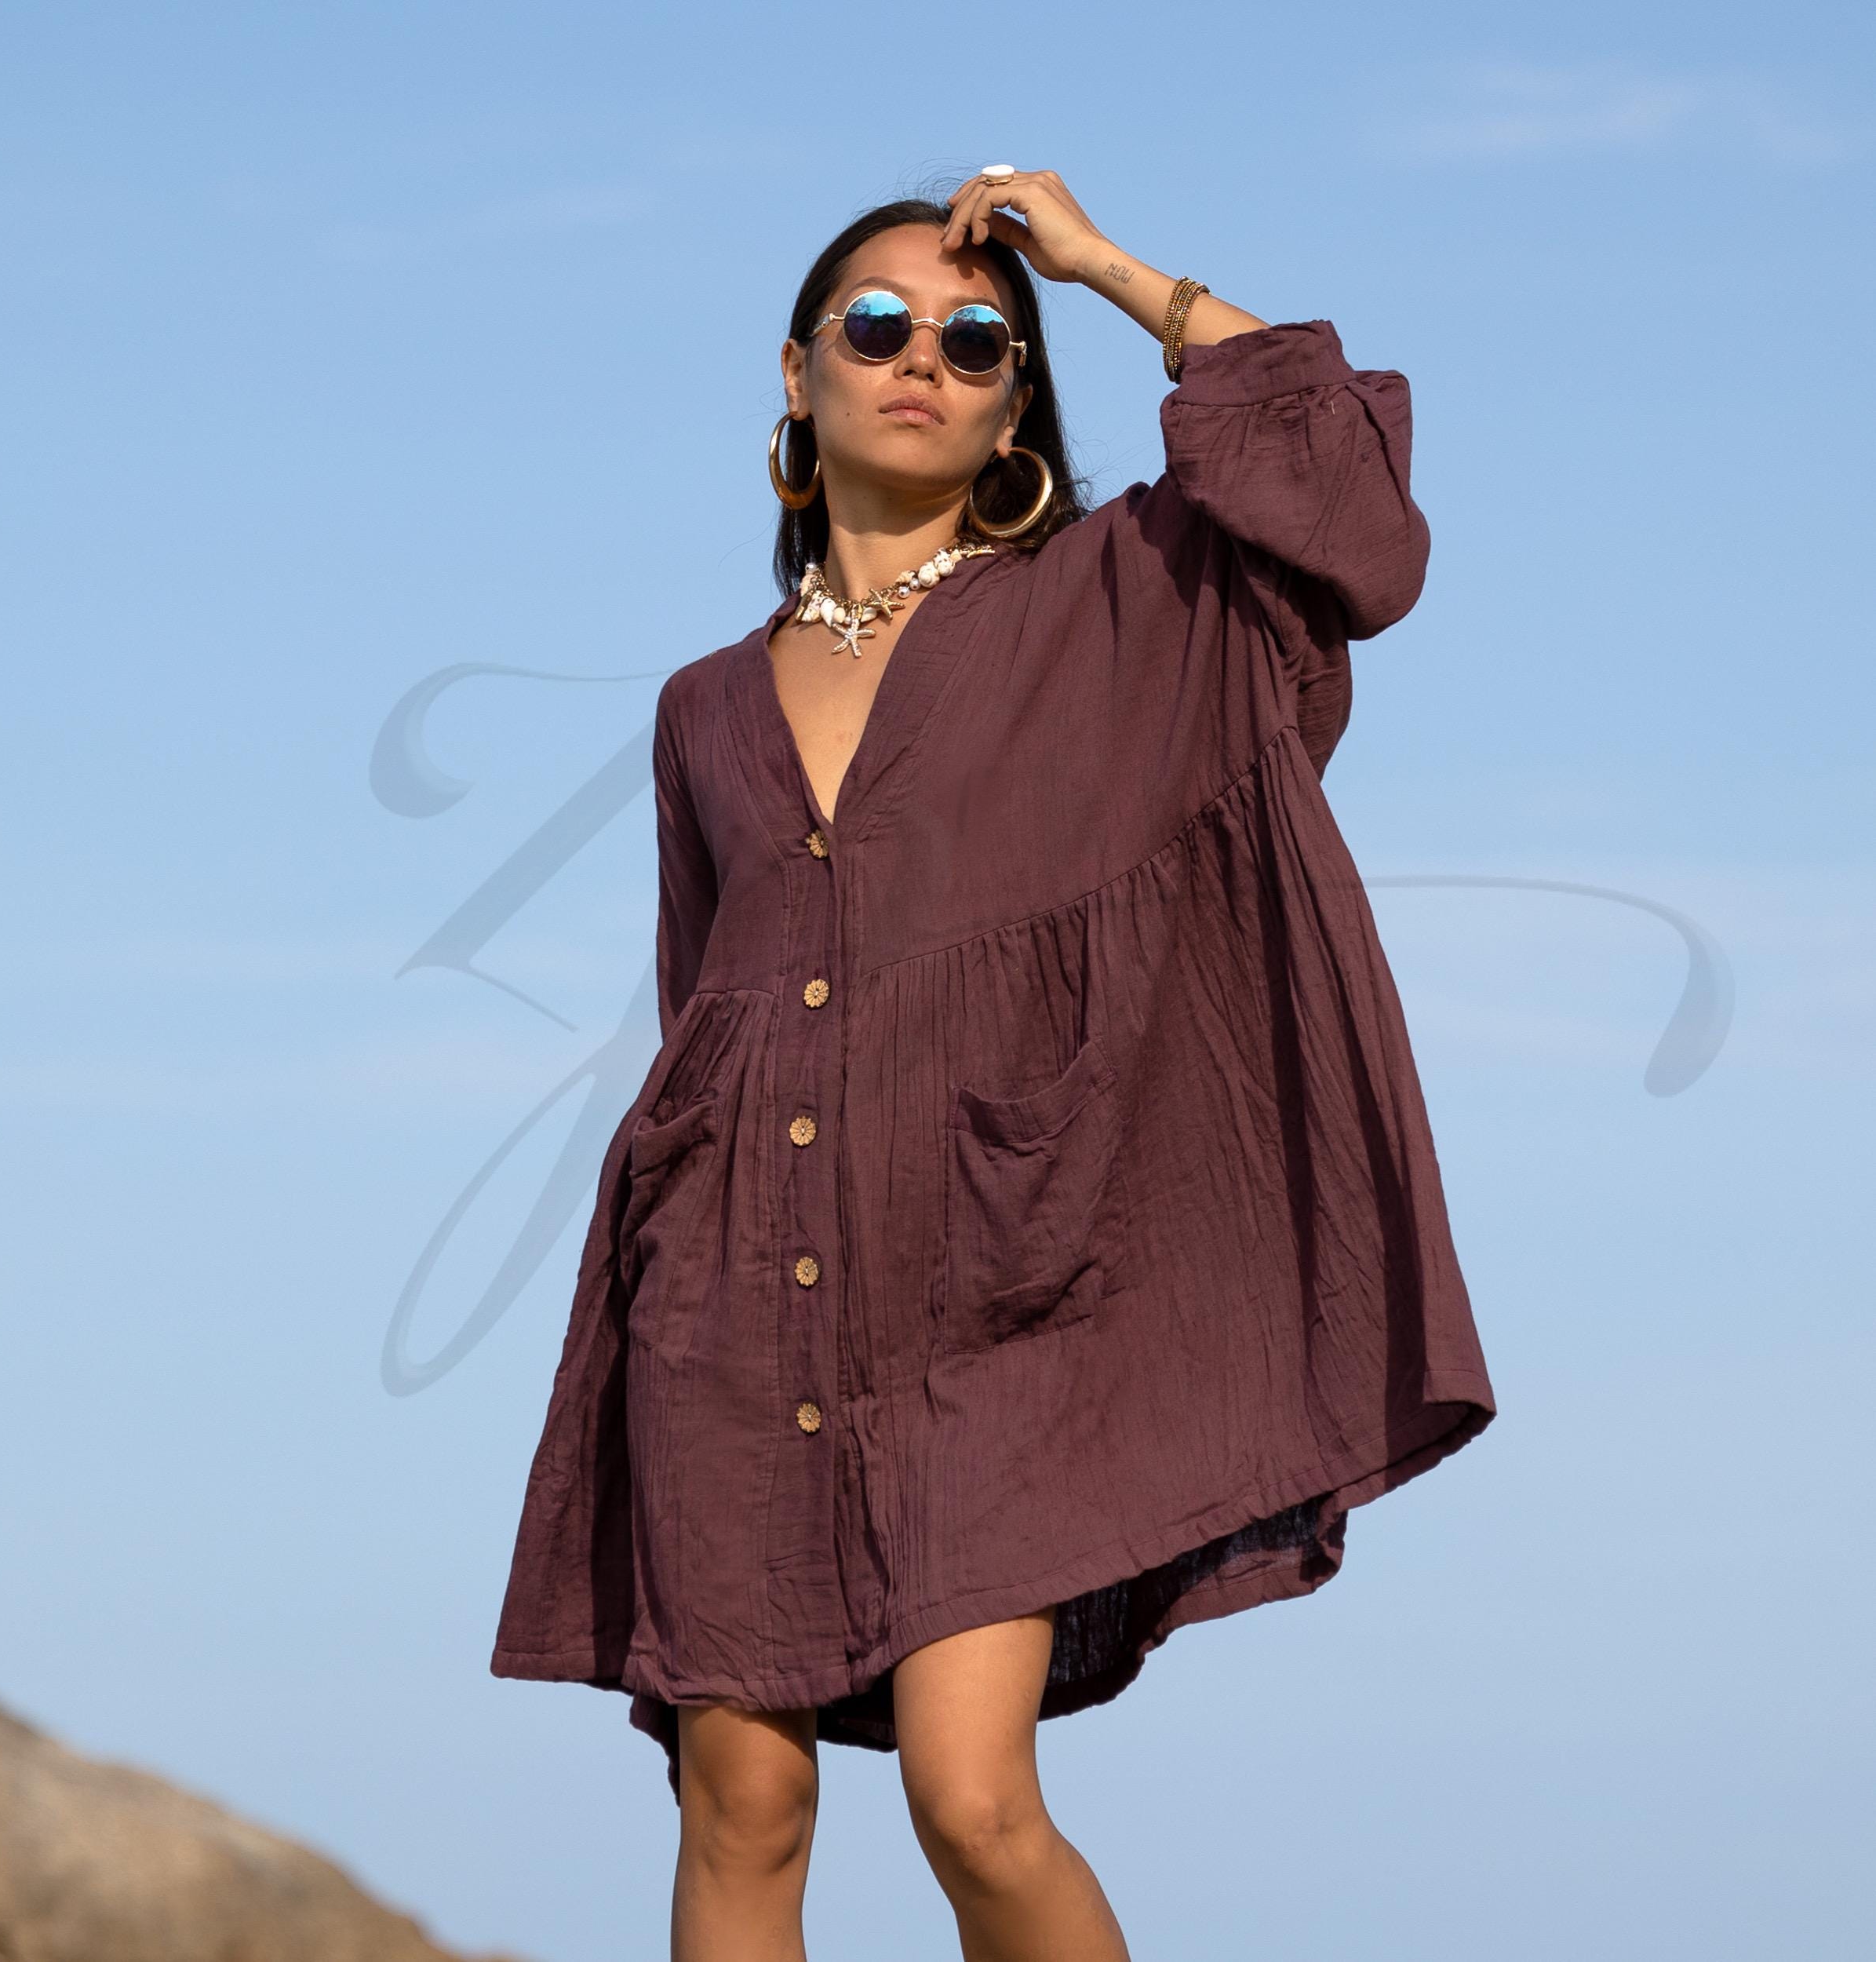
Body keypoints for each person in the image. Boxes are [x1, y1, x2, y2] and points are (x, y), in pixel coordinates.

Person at [491, 166, 1497, 1961]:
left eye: (976, 343)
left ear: (1016, 404)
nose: (923, 361)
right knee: (740, 1800)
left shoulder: (1120, 600)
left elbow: (1351, 508)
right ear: (795, 371)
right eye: (879, 326)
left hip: (1004, 1287)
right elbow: (706, 1005)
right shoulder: (701, 704)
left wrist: (1102, 267)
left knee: (973, 1796)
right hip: (732, 1295)